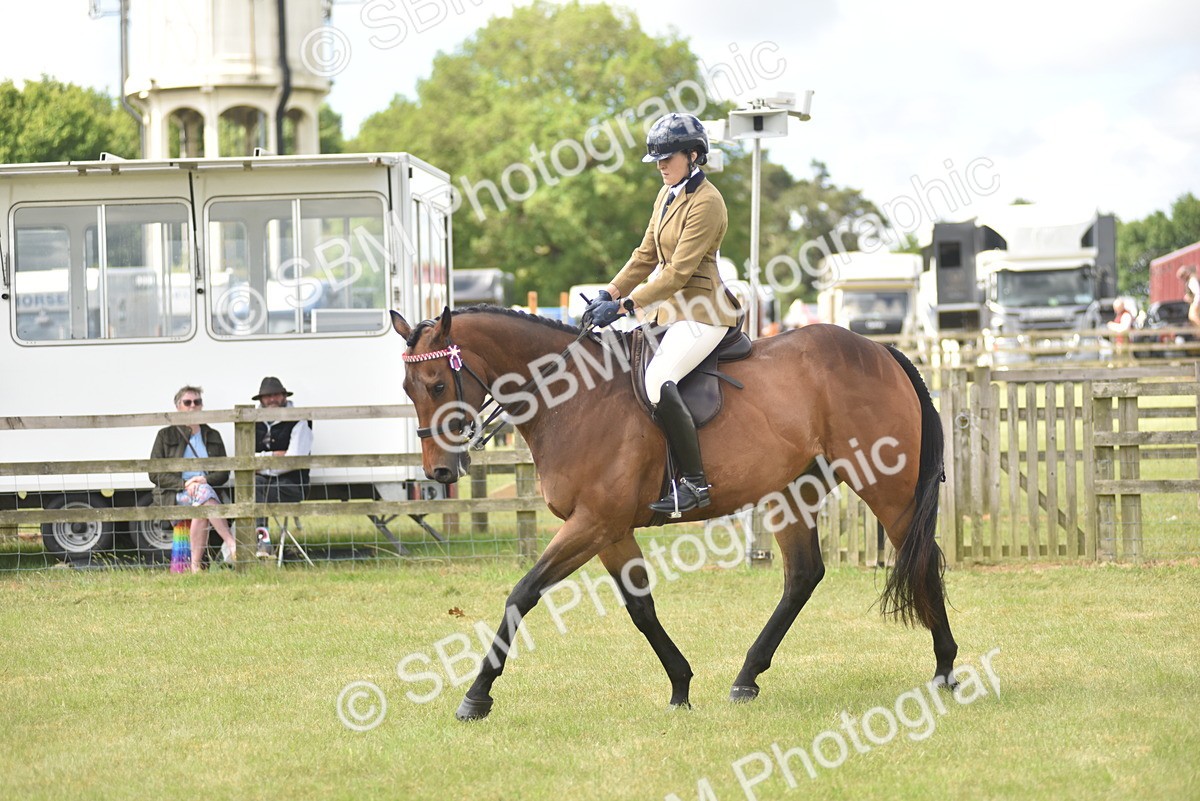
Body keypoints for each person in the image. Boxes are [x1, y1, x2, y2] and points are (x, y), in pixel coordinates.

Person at [583, 112, 742, 514]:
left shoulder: (708, 202)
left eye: (667, 158)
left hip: (703, 311)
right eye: (656, 159)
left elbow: (677, 273)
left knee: (657, 380)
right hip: (670, 313)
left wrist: (624, 306)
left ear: (693, 155)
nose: (660, 166)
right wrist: (609, 290)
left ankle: (694, 483)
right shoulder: (666, 194)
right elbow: (646, 255)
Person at [149, 385, 236, 572]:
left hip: (206, 491)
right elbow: (154, 473)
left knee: (201, 500)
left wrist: (205, 480)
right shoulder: (165, 435)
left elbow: (223, 472)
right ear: (178, 407)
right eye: (187, 402)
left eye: (197, 402)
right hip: (175, 493)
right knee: (203, 499)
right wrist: (184, 483)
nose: (192, 406)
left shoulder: (213, 435)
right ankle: (230, 541)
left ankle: (195, 567)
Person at [252, 376, 313, 558]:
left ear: (284, 396)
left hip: (292, 486)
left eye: (276, 395)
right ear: (261, 400)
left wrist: (260, 463)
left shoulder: (299, 420)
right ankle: (243, 546)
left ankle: (262, 544)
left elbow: (293, 460)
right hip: (262, 485)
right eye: (267, 396)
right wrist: (274, 456)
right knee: (249, 488)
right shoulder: (251, 421)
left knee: (254, 489)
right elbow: (245, 458)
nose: (272, 400)